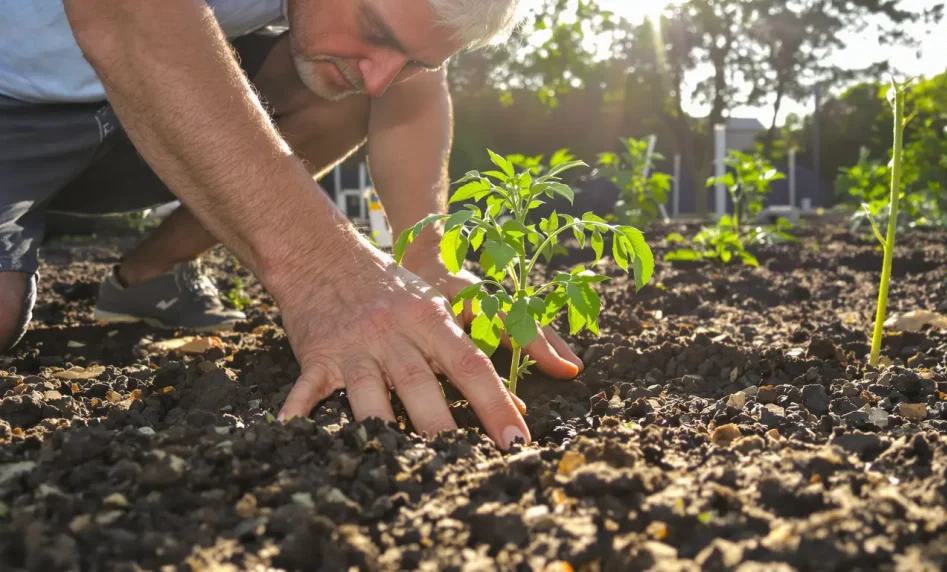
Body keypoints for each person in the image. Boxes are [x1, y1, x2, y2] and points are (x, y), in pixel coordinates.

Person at [0, 0, 585, 449]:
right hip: (19, 99)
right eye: (376, 29)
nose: (384, 75)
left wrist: (429, 251)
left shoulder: (379, 42)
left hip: (145, 109)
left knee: (347, 87)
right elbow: (122, 15)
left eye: (411, 55)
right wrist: (326, 274)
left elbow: (413, 80)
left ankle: (147, 276)